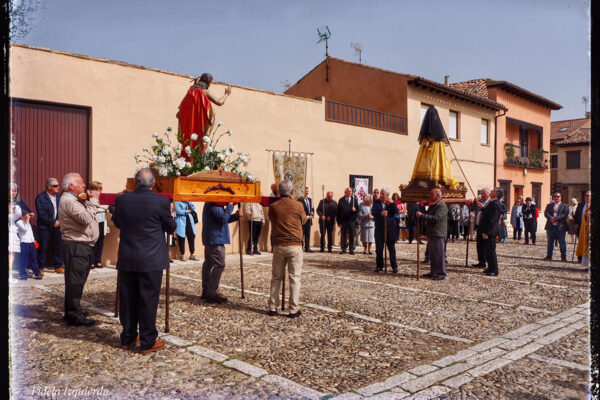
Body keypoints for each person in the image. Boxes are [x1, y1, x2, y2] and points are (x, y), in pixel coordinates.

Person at [112, 168, 177, 354]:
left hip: (128, 256)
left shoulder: (122, 200)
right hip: (151, 258)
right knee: (148, 300)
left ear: (135, 182)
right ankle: (148, 340)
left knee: (128, 299)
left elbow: (117, 222)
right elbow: (170, 226)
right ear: (153, 183)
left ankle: (128, 337)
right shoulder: (161, 201)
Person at [58, 172, 101, 326]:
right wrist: (94, 201)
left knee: (77, 280)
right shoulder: (69, 201)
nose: (84, 186)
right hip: (76, 245)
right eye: (81, 183)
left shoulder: (74, 199)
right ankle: (73, 314)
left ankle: (73, 309)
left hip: (81, 245)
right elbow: (86, 218)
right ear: (71, 186)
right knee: (75, 281)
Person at [267, 180, 306, 318]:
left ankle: (272, 307)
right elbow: (304, 220)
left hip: (278, 245)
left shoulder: (273, 206)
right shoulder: (298, 205)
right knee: (294, 278)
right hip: (294, 245)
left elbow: (271, 219)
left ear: (278, 192)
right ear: (292, 192)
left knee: (276, 277)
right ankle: (293, 309)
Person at [176, 73, 232, 159]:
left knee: (189, 145)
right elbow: (220, 102)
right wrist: (226, 94)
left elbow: (181, 106)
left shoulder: (191, 91)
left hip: (189, 126)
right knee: (211, 116)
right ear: (208, 83)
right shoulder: (205, 92)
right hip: (200, 125)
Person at [201, 201, 242, 303]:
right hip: (216, 239)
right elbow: (223, 219)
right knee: (219, 265)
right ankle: (211, 293)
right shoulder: (214, 204)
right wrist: (231, 205)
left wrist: (236, 216)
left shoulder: (215, 204)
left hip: (213, 238)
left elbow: (223, 218)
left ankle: (206, 290)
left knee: (209, 264)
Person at [416, 188, 448, 280]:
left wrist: (422, 215)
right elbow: (427, 214)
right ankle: (434, 271)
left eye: (432, 194)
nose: (430, 196)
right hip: (432, 233)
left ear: (438, 195)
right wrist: (421, 207)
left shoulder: (441, 205)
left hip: (438, 233)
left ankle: (441, 273)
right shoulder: (434, 205)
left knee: (439, 255)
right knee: (433, 255)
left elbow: (436, 218)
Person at [35, 178, 64, 274]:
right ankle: (40, 267)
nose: (58, 187)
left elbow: (63, 210)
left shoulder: (59, 197)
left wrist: (59, 221)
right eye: (55, 186)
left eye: (58, 185)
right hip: (45, 227)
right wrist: (52, 222)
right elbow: (41, 213)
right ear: (49, 187)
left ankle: (58, 266)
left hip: (58, 225)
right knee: (43, 247)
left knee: (58, 246)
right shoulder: (40, 197)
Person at [372, 188, 399, 273]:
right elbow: (373, 212)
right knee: (379, 249)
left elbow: (396, 211)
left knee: (391, 249)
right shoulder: (377, 202)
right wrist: (381, 213)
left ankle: (394, 266)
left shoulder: (391, 203)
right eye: (381, 193)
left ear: (387, 195)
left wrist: (392, 203)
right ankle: (379, 266)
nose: (381, 195)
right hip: (380, 229)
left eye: (383, 194)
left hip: (390, 229)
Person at [478, 188, 503, 276]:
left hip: (491, 231)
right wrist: (483, 208)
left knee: (491, 251)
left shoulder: (495, 204)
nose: (491, 192)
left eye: (493, 191)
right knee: (488, 250)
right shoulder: (492, 202)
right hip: (489, 230)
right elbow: (487, 213)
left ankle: (494, 270)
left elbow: (492, 220)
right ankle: (490, 267)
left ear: (496, 194)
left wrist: (486, 232)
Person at [14, 209, 43, 280]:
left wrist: (33, 240)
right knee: (24, 259)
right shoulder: (19, 222)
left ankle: (37, 273)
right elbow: (25, 230)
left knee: (34, 259)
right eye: (26, 215)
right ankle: (22, 274)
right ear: (21, 216)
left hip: (31, 242)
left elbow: (30, 232)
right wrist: (27, 220)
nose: (28, 216)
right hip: (24, 243)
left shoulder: (27, 222)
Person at [543, 192, 570, 262]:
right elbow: (546, 213)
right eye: (554, 196)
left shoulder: (565, 206)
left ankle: (563, 257)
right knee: (550, 242)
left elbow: (565, 214)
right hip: (550, 226)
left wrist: (556, 218)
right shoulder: (549, 205)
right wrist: (550, 218)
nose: (556, 198)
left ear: (561, 197)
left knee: (562, 242)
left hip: (560, 226)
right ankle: (549, 256)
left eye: (558, 196)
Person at [88, 181, 109, 268]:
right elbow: (92, 207)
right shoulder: (90, 196)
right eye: (100, 188)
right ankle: (91, 261)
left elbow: (106, 206)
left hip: (102, 221)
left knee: (101, 241)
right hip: (94, 221)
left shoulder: (103, 197)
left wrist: (99, 207)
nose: (101, 190)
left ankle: (98, 261)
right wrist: (100, 207)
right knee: (93, 241)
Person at [472, 189, 491, 268]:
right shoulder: (479, 201)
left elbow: (489, 214)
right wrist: (473, 203)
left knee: (486, 247)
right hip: (478, 226)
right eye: (482, 194)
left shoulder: (490, 203)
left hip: (486, 227)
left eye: (484, 194)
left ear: (488, 194)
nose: (482, 195)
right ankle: (481, 261)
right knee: (479, 246)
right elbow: (472, 209)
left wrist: (483, 207)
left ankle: (488, 263)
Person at [337, 187, 359, 255]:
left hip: (351, 221)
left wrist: (355, 210)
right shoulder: (341, 201)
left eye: (350, 191)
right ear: (345, 192)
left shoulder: (354, 200)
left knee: (352, 235)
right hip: (343, 221)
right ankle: (343, 248)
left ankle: (351, 249)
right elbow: (338, 212)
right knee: (343, 235)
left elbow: (358, 211)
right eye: (348, 191)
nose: (349, 192)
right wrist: (339, 222)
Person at [573, 191, 590, 262]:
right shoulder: (580, 205)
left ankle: (587, 260)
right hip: (581, 227)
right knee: (580, 242)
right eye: (586, 195)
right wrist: (576, 223)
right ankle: (580, 258)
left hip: (590, 228)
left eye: (588, 196)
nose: (587, 197)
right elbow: (576, 215)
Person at [9, 201, 22, 282]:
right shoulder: (10, 217)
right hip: (10, 236)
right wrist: (16, 206)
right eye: (12, 208)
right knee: (10, 257)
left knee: (11, 257)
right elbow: (19, 213)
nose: (13, 210)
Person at [299, 187, 314, 252]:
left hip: (309, 221)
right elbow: (300, 210)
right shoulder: (300, 200)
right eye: (305, 191)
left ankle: (307, 248)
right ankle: (301, 247)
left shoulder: (310, 199)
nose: (306, 192)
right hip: (303, 220)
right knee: (302, 235)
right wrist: (307, 216)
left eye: (307, 191)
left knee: (308, 234)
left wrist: (313, 212)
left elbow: (312, 208)